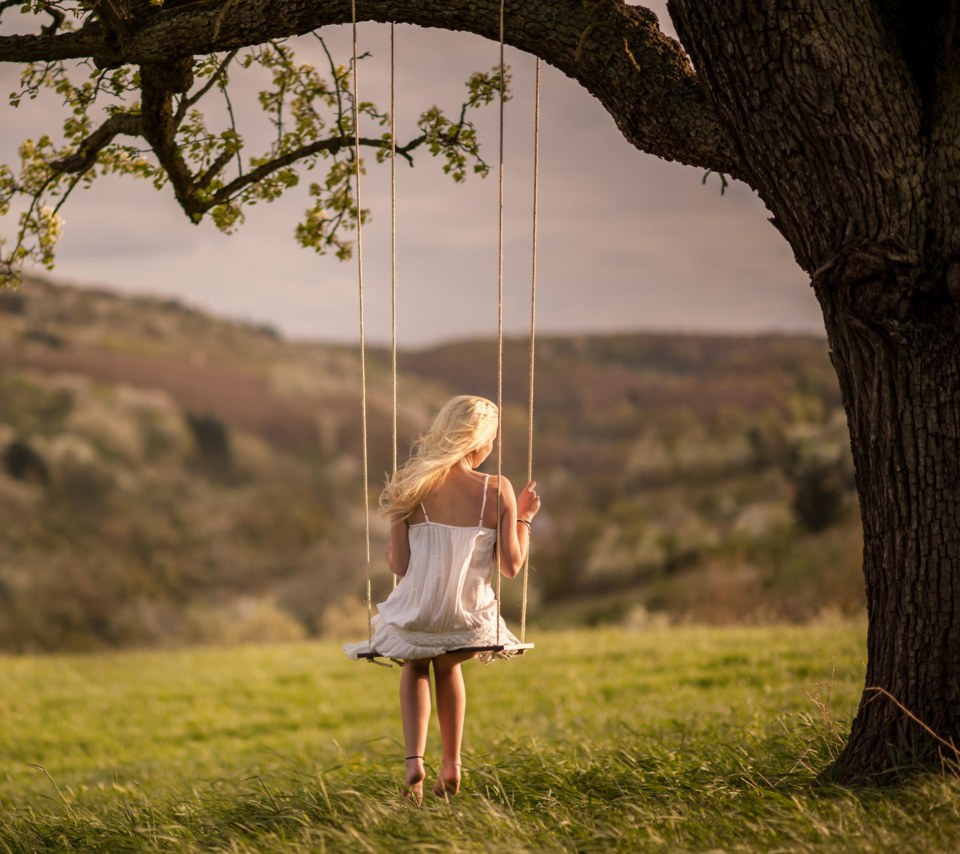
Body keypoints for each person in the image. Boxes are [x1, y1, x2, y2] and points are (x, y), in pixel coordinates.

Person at [343, 395, 541, 804]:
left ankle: (414, 761)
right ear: (480, 441)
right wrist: (523, 518)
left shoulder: (408, 483)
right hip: (468, 616)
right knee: (449, 668)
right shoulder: (496, 488)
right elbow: (511, 566)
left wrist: (390, 552)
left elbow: (399, 565)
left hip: (419, 611)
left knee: (416, 666)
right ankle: (452, 764)